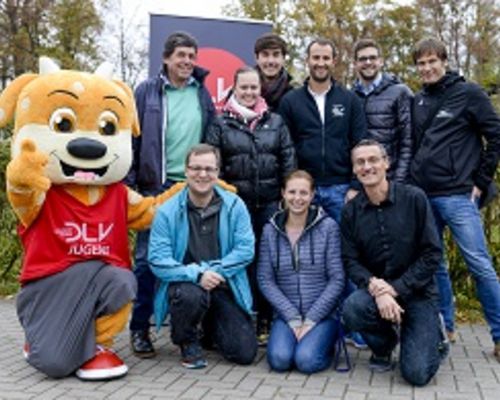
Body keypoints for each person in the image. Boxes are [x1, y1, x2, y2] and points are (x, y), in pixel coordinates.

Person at [126, 31, 216, 358]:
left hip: (194, 188)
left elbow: (211, 138)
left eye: (192, 56)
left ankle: (191, 330)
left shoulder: (202, 93)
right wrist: (130, 185)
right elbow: (133, 139)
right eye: (181, 55)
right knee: (148, 262)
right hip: (156, 189)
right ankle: (139, 330)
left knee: (192, 260)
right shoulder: (147, 92)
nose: (187, 62)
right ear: (166, 58)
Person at [410, 37, 500, 360]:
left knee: (479, 264)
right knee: (435, 266)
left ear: (444, 61)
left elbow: (496, 136)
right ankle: (446, 326)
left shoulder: (469, 94)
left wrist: (481, 180)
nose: (427, 68)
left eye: (432, 61)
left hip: (458, 196)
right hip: (424, 196)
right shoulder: (418, 100)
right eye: (421, 63)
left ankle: (499, 334)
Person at [341, 139, 446, 386]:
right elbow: (350, 260)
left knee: (417, 375)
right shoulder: (350, 212)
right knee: (352, 309)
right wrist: (376, 287)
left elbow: (432, 254)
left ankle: (433, 334)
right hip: (378, 294)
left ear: (386, 163)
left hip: (418, 292)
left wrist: (395, 288)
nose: (367, 167)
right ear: (354, 170)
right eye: (360, 162)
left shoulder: (414, 199)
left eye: (373, 160)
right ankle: (384, 345)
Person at [206, 66, 296, 340]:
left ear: (260, 90)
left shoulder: (276, 122)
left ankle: (265, 320)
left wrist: (286, 193)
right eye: (243, 87)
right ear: (234, 89)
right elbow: (213, 164)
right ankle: (239, 318)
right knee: (238, 261)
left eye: (253, 87)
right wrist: (224, 198)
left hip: (269, 204)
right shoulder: (220, 123)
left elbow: (288, 158)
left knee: (267, 262)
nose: (248, 92)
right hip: (235, 206)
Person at [148, 144, 258, 369]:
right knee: (189, 296)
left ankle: (209, 330)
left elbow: (246, 250)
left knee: (244, 353)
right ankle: (187, 340)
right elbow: (158, 260)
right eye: (196, 168)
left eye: (209, 169)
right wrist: (197, 274)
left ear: (217, 172)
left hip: (223, 285)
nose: (202, 174)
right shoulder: (166, 212)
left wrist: (213, 271)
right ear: (186, 171)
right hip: (187, 286)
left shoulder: (235, 206)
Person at [257, 170, 345, 373]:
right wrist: (292, 317)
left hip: (322, 315)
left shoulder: (329, 227)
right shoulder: (270, 230)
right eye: (292, 192)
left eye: (304, 193)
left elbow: (337, 279)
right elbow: (265, 279)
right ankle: (305, 341)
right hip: (287, 315)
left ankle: (327, 345)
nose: (297, 198)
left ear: (312, 195)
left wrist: (312, 318)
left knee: (306, 361)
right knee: (279, 361)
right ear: (283, 194)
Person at [278, 37, 367, 224]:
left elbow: (359, 144)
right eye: (315, 58)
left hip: (341, 188)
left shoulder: (350, 100)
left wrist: (355, 185)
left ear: (334, 61)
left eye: (325, 58)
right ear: (307, 60)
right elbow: (285, 148)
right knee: (307, 246)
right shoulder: (290, 101)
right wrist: (291, 187)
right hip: (304, 189)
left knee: (344, 244)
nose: (320, 63)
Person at [352, 38, 412, 182]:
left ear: (381, 61)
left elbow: (408, 142)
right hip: (361, 180)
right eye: (362, 59)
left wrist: (399, 182)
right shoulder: (350, 96)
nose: (368, 62)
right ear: (355, 64)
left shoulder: (399, 93)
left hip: (391, 180)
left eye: (372, 58)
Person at [254, 32, 294, 111]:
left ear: (283, 58)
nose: (270, 61)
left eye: (276, 55)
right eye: (265, 55)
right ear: (256, 58)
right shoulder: (242, 91)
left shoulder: (295, 95)